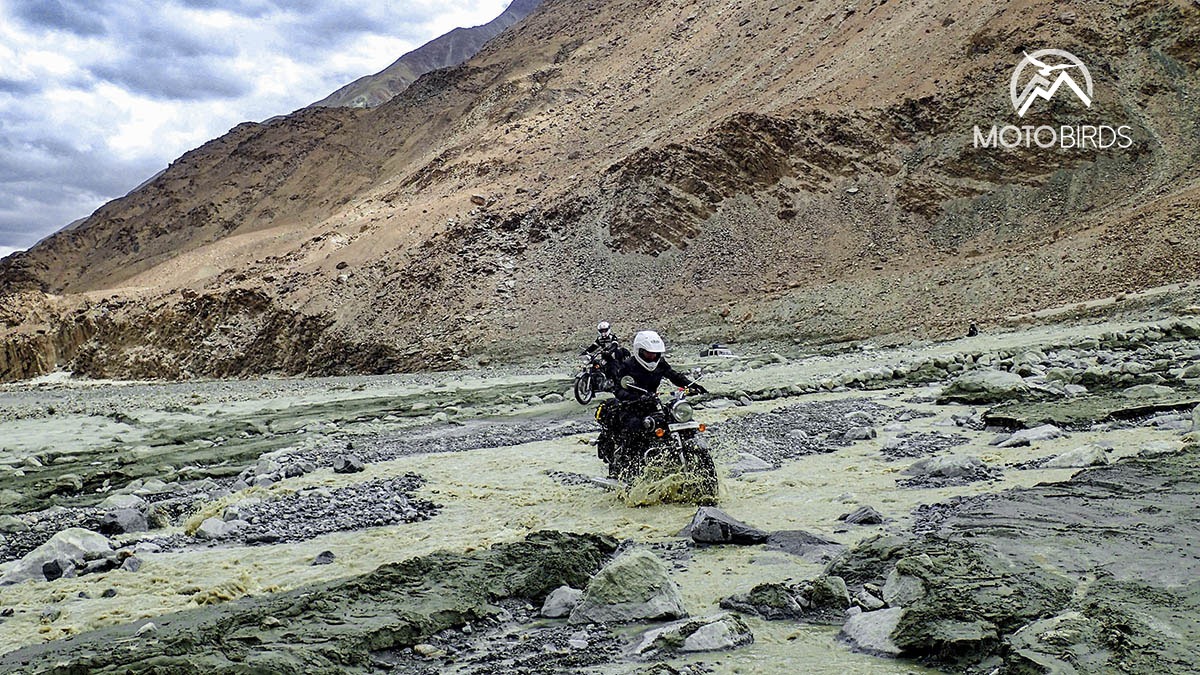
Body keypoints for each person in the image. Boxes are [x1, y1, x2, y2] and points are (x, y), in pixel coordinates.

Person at [596, 330, 706, 476]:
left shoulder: (660, 363)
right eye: (648, 353)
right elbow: (618, 390)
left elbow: (673, 375)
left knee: (677, 422)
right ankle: (630, 469)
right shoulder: (628, 366)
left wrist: (691, 385)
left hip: (652, 403)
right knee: (635, 427)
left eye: (655, 353)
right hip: (631, 406)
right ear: (639, 351)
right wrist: (634, 397)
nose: (652, 356)